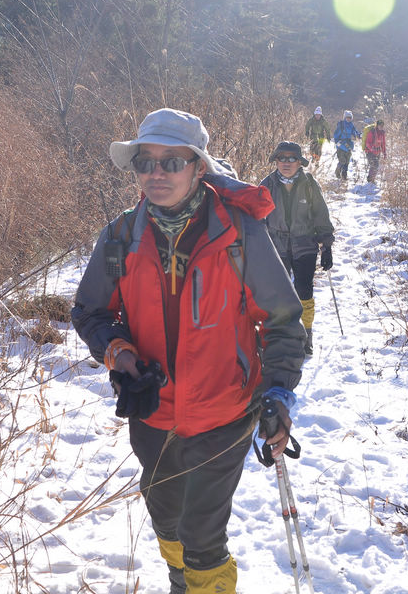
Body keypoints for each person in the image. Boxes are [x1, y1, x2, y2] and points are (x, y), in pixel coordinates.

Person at [71, 108, 307, 594]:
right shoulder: (119, 236)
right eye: (145, 162)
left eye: (171, 162)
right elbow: (90, 311)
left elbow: (283, 319)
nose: (156, 174)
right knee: (165, 516)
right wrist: (119, 352)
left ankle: (198, 581)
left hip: (224, 413)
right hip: (151, 411)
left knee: (202, 533)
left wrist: (279, 393)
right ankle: (183, 578)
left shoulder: (239, 234)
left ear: (199, 168)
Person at [260, 141, 335, 356]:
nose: (286, 162)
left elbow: (321, 215)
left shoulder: (309, 184)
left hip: (305, 245)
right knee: (279, 292)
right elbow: (256, 217)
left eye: (291, 158)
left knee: (304, 290)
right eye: (281, 158)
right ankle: (281, 335)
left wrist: (326, 246)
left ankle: (306, 334)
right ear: (276, 160)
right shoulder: (267, 185)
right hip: (277, 246)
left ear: (299, 162)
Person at [332, 110, 361, 180]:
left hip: (349, 146)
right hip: (341, 145)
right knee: (342, 161)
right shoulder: (341, 124)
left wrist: (359, 135)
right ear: (344, 117)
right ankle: (337, 172)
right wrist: (337, 142)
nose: (348, 119)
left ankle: (344, 176)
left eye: (350, 118)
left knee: (347, 162)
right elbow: (336, 134)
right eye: (347, 117)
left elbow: (355, 132)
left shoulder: (351, 125)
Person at [364, 119, 387, 183]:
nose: (381, 127)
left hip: (377, 152)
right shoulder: (372, 132)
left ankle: (372, 179)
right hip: (370, 152)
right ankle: (370, 180)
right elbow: (367, 143)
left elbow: (383, 144)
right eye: (380, 125)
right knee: (374, 165)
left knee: (376, 166)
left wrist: (384, 152)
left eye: (382, 125)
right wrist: (372, 149)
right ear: (377, 125)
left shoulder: (382, 133)